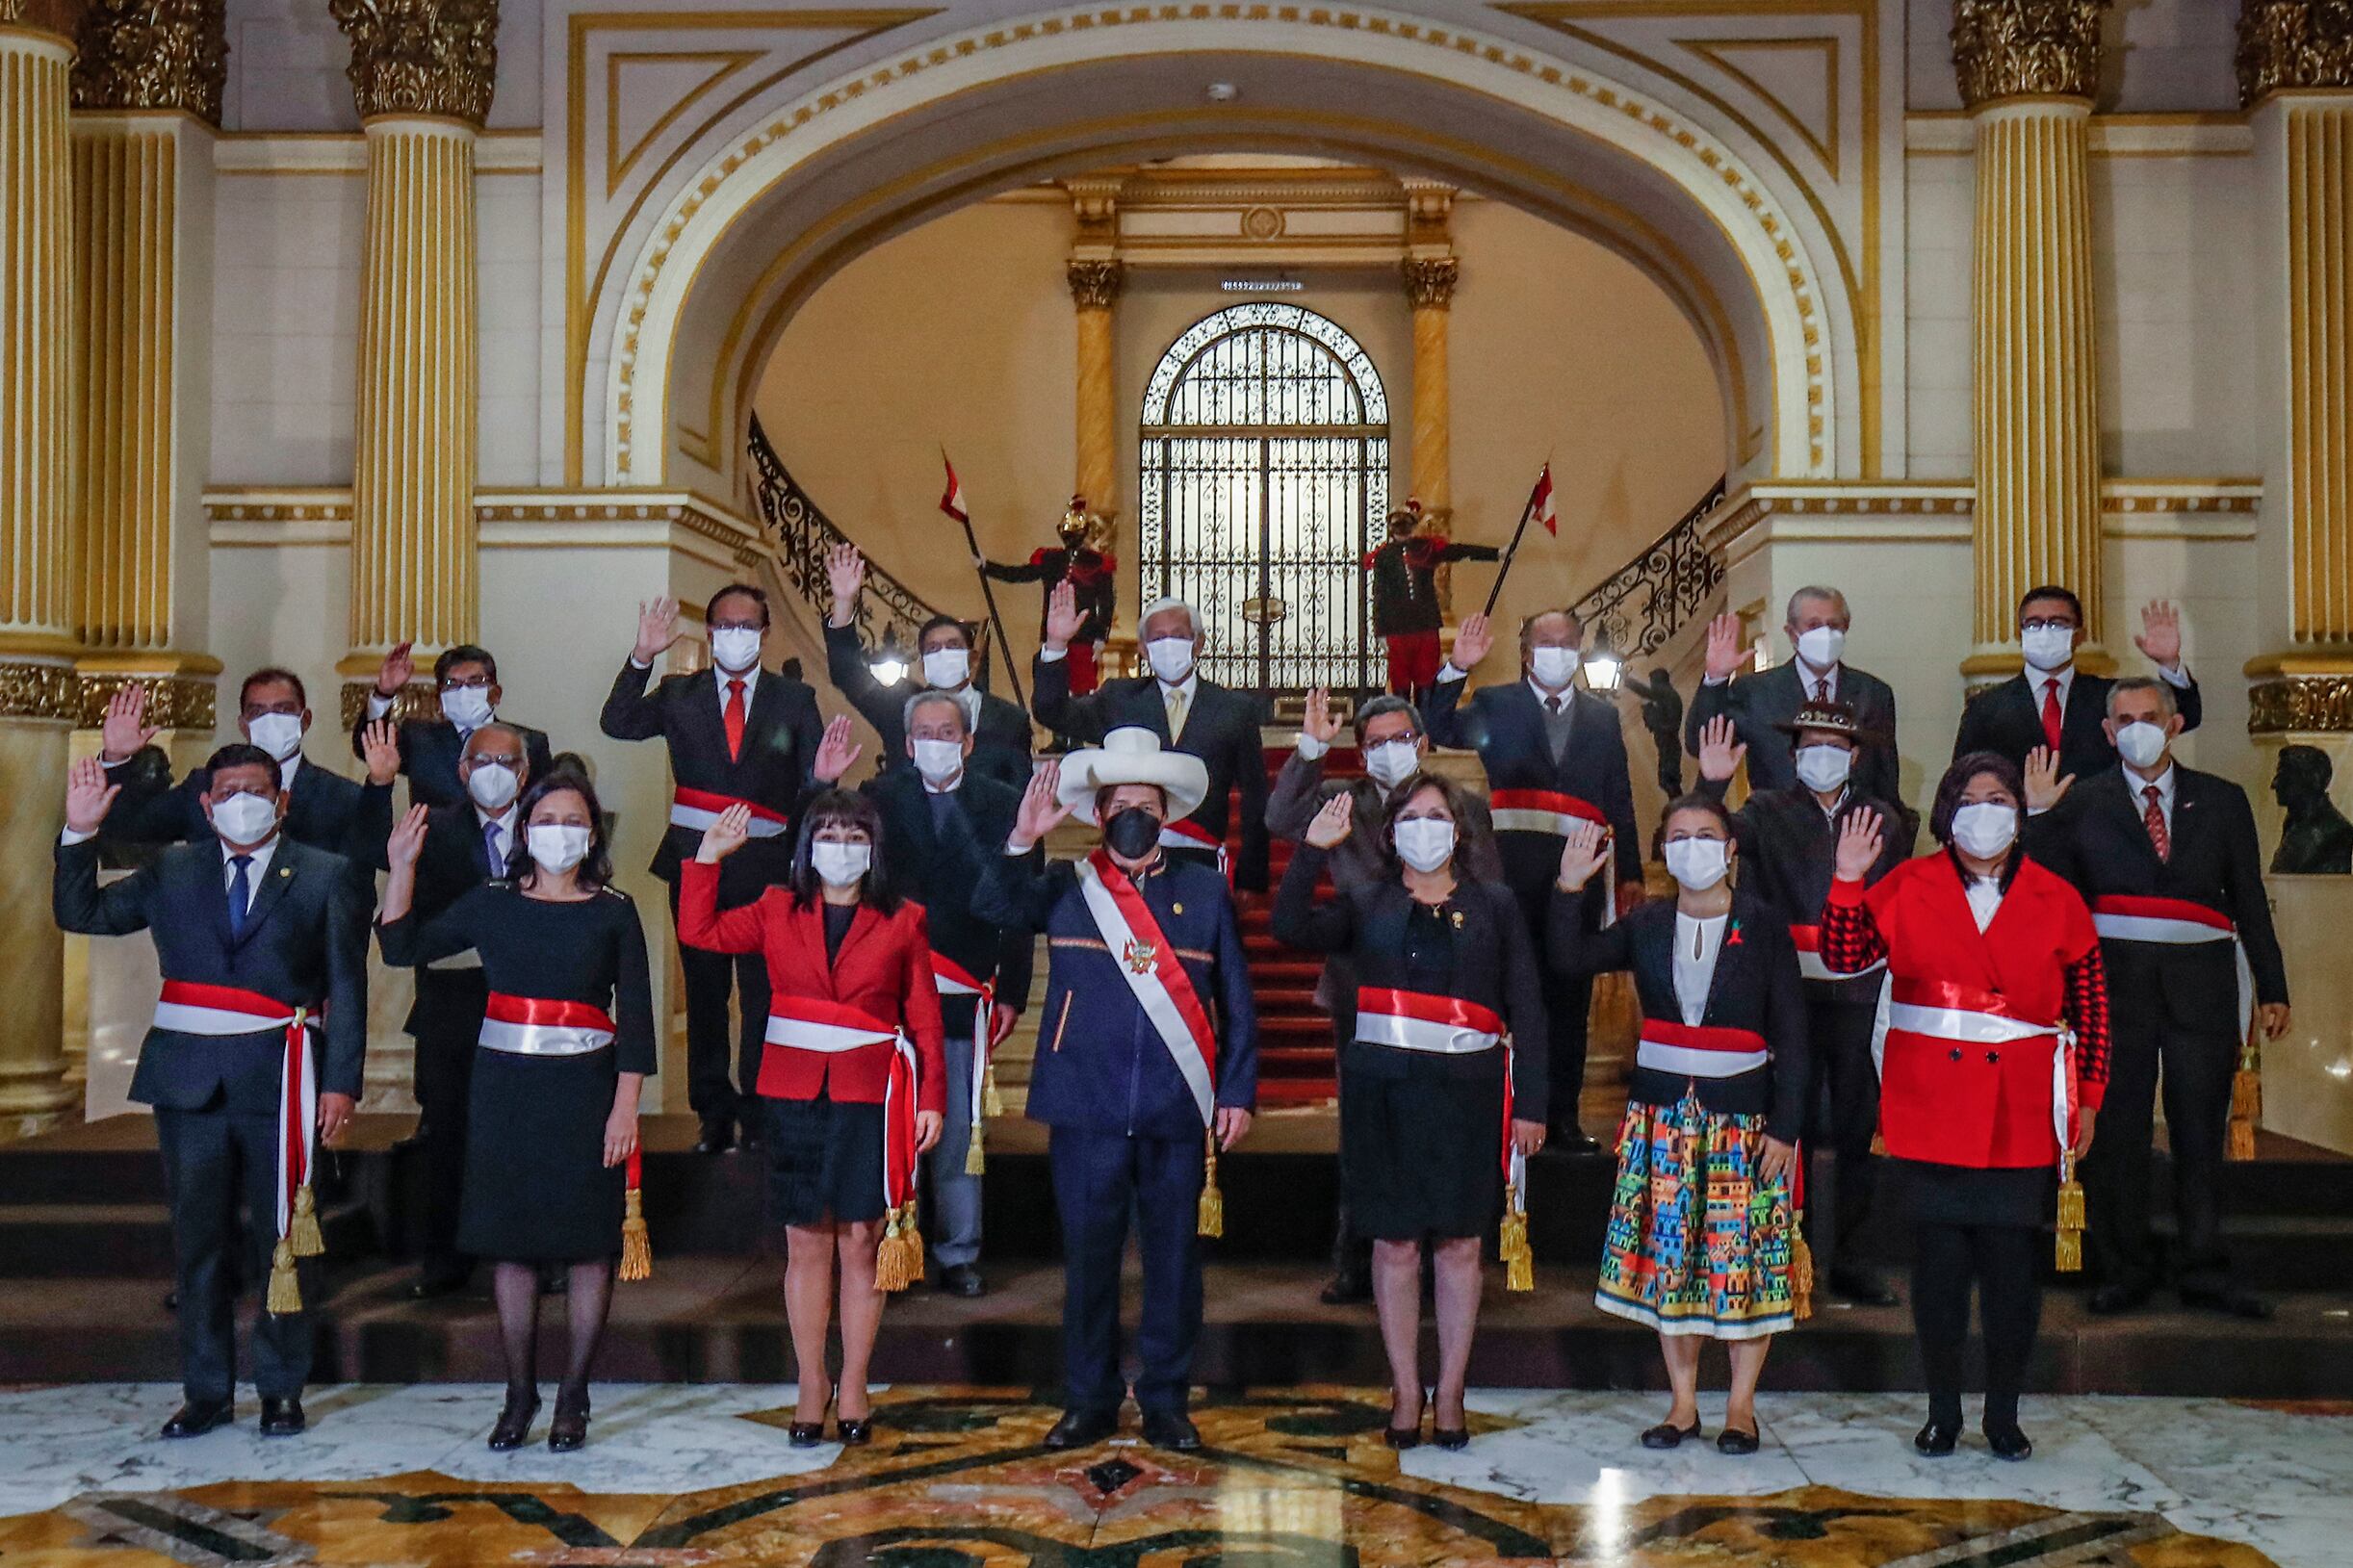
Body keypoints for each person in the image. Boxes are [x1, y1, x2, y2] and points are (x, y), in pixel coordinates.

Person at [55, 746, 366, 1441]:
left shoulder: (326, 872)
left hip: (282, 1076)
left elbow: (347, 984)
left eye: (255, 789)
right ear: (205, 804)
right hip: (188, 1080)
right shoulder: (173, 868)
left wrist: (341, 1082)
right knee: (199, 1241)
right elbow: (82, 911)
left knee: (284, 1239)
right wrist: (79, 832)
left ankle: (281, 1389)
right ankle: (206, 1393)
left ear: (282, 800)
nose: (241, 801)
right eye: (227, 791)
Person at [1820, 755, 2111, 1461]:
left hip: (2020, 1109)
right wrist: (1848, 877)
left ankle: (2004, 1413)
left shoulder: (2056, 896)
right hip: (1931, 1106)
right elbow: (1843, 956)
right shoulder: (1909, 882)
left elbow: (2094, 1006)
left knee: (2013, 1272)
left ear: (2020, 813)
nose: (1986, 811)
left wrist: (2089, 1097)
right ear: (1948, 813)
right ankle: (1943, 1411)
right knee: (1940, 1271)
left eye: (2000, 798)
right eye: (1971, 798)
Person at [975, 733, 1257, 1452]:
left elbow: (1236, 997)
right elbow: (994, 905)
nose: (1135, 816)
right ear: (1099, 813)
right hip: (1084, 1104)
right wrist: (1021, 838)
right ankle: (1089, 1399)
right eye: (1122, 804)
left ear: (1167, 814)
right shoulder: (1066, 884)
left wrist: (1237, 1089)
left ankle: (1166, 1400)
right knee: (1089, 1261)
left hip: (1175, 1104)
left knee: (1173, 1263)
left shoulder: (1203, 889)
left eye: (1148, 806)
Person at [378, 770, 654, 1452]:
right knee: (512, 1241)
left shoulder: (614, 910)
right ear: (525, 831)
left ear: (592, 833)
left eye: (574, 820)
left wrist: (625, 1108)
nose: (560, 832)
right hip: (505, 1087)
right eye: (547, 820)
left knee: (588, 1242)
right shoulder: (491, 901)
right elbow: (401, 945)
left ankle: (574, 1394)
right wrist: (402, 866)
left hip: (586, 1088)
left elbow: (638, 1019)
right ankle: (519, 1391)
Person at [1274, 776, 1543, 1450]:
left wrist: (1533, 1104)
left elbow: (1528, 1005)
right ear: (1392, 833)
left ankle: (1450, 1390)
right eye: (1412, 817)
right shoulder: (1367, 901)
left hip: (1467, 1095)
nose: (1426, 828)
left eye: (1438, 815)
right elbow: (1289, 927)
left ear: (1458, 829)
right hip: (1384, 1096)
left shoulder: (1495, 904)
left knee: (1459, 1244)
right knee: (1394, 1243)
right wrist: (1311, 852)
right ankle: (1404, 1387)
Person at [679, 787, 946, 1448]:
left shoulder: (904, 918)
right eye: (828, 834)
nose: (841, 847)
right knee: (805, 1242)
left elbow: (925, 1016)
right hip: (793, 1093)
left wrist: (933, 1098)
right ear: (807, 846)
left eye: (856, 836)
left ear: (874, 849)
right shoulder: (776, 907)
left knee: (859, 1241)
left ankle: (853, 1382)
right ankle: (810, 1381)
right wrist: (707, 858)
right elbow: (700, 931)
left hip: (868, 1095)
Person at [2023, 679, 2289, 1321]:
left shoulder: (2223, 800)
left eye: (2150, 715)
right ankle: (2126, 1268)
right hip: (2112, 990)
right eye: (2125, 719)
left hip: (2204, 987)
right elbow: (2047, 897)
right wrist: (2038, 819)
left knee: (2201, 1132)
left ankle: (2204, 1267)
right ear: (2108, 732)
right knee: (2119, 1135)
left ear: (2173, 724)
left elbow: (2248, 897)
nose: (2138, 727)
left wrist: (2273, 986)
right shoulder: (2079, 801)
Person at [1553, 797, 1808, 1454]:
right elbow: (1570, 958)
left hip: (1744, 1121)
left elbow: (1794, 1033)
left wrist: (1786, 1126)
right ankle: (1683, 1402)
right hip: (1663, 1116)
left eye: (1706, 834)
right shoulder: (1647, 921)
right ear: (1665, 852)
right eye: (1680, 836)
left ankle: (1741, 1406)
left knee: (1743, 1262)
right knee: (1673, 1260)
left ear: (1730, 849)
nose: (1693, 846)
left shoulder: (1763, 923)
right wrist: (1569, 888)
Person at [1268, 687, 1502, 1305]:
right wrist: (1310, 748)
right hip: (1360, 984)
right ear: (1360, 751)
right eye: (1375, 743)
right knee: (1365, 1129)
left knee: (1447, 1125)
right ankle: (1358, 1257)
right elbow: (1278, 817)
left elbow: (1489, 893)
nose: (1389, 750)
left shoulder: (1463, 807)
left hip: (1446, 990)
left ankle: (1445, 1255)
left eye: (1400, 739)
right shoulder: (1339, 798)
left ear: (1421, 743)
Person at [600, 584, 840, 1155]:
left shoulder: (794, 699)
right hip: (696, 862)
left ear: (765, 633)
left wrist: (824, 785)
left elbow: (813, 782)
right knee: (704, 994)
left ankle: (759, 1111)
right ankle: (712, 1111)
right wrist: (642, 656)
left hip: (768, 865)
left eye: (747, 625)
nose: (736, 635)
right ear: (709, 634)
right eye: (725, 626)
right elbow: (618, 721)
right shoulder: (678, 692)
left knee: (763, 995)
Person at [1695, 703, 1912, 1306]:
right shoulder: (1765, 811)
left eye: (1835, 746)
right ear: (1793, 756)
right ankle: (1783, 1249)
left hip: (1859, 990)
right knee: (1786, 1123)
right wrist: (1712, 784)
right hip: (1787, 992)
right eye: (1811, 746)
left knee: (1854, 1128)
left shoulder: (1882, 820)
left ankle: (1851, 1258)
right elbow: (1707, 837)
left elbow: (1894, 901)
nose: (1823, 757)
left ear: (1856, 756)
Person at [1424, 608, 1642, 1155]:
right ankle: (1508, 1111)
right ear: (1525, 652)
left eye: (1568, 642)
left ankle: (1563, 1116)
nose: (1558, 651)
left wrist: (1632, 874)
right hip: (1511, 877)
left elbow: (1619, 797)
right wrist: (1456, 668)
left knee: (1570, 1000)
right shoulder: (1497, 703)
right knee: (1511, 994)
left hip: (1580, 881)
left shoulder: (1602, 718)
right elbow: (1437, 726)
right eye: (1547, 642)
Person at [860, 688, 1036, 1298]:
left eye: (948, 733)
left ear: (968, 742)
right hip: (890, 989)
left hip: (964, 985)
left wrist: (1013, 989)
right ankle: (896, 1245)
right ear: (908, 746)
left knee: (958, 1129)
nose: (936, 742)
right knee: (894, 1123)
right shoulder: (878, 800)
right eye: (925, 734)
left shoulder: (1003, 802)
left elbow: (1018, 902)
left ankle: (959, 1252)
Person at [392, 724, 535, 1300]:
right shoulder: (430, 828)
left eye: (506, 762)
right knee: (449, 1133)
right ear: (461, 770)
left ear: (524, 773)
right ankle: (446, 1257)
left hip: (530, 1003)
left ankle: (536, 1251)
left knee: (527, 1132)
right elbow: (411, 923)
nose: (493, 771)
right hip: (453, 999)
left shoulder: (548, 825)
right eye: (482, 761)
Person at [1031, 584, 1272, 893]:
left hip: (1199, 862)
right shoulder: (1119, 698)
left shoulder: (1235, 709)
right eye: (1158, 638)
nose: (1168, 644)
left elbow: (1255, 799)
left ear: (1198, 643)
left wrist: (1251, 879)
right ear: (1144, 650)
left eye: (1179, 635)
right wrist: (1056, 644)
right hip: (1127, 857)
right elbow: (1053, 712)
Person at [93, 674, 399, 881]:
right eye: (258, 712)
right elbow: (128, 830)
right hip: (217, 943)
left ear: (304, 720)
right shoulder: (200, 787)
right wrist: (116, 758)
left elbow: (374, 859)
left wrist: (381, 783)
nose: (271, 719)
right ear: (243, 724)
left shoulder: (341, 796)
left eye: (283, 710)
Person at [823, 544, 1033, 789]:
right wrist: (844, 601)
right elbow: (847, 674)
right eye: (933, 649)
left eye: (953, 646)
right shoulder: (899, 706)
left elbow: (1022, 795)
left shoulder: (1010, 720)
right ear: (922, 665)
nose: (943, 653)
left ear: (973, 658)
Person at [1685, 588, 1901, 810]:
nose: (1825, 634)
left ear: (1845, 628)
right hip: (1774, 822)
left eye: (1833, 625)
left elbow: (1886, 779)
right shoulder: (1755, 692)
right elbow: (1699, 745)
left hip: (1854, 825)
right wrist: (1716, 678)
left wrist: (1892, 825)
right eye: (1814, 625)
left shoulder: (1873, 693)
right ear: (1791, 633)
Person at [1952, 590, 2200, 781]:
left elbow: (2184, 716)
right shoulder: (1986, 707)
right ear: (2020, 635)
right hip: (2022, 829)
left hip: (2098, 825)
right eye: (2033, 624)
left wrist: (2169, 663)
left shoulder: (2110, 697)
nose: (2045, 632)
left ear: (2079, 635)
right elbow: (1962, 779)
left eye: (2058, 623)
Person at [353, 642, 556, 810]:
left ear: (496, 693)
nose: (464, 691)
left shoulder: (531, 743)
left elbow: (544, 806)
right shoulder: (419, 739)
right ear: (439, 698)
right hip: (437, 844)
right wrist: (384, 692)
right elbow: (370, 747)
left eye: (475, 682)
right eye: (452, 684)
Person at [982, 495, 1116, 694]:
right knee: (1051, 686)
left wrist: (1100, 636)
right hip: (1054, 636)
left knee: (1081, 690)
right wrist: (987, 566)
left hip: (1084, 635)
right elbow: (1019, 574)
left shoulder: (1097, 562)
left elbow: (1106, 602)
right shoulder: (1051, 559)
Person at [1364, 501, 1498, 700]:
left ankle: (1426, 716)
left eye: (1405, 524)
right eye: (1397, 524)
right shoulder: (1384, 555)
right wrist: (1380, 631)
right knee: (1400, 681)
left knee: (1426, 679)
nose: (1401, 529)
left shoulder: (1426, 549)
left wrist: (1495, 553)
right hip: (1396, 629)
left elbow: (1459, 551)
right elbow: (1380, 595)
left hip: (1425, 626)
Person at [2270, 743, 2353, 873]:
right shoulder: (2293, 822)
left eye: (2283, 776)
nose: (2274, 784)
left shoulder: (2336, 832)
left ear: (2308, 779)